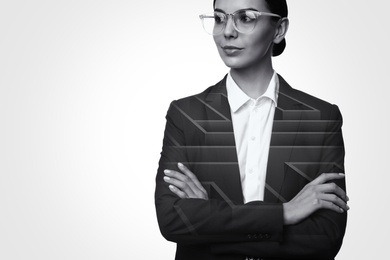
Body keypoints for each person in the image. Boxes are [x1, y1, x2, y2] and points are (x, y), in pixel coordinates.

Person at [155, 0, 349, 259]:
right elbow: (173, 221)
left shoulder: (321, 119)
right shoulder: (187, 115)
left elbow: (325, 237)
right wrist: (284, 214)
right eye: (220, 18)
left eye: (245, 18)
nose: (227, 31)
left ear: (279, 29)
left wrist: (210, 228)